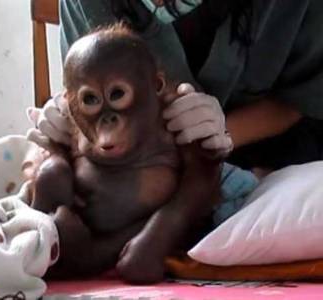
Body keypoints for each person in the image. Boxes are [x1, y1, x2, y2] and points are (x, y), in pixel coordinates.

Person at [27, 0, 323, 223]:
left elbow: (299, 98)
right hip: (136, 167)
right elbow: (85, 101)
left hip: (273, 156)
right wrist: (67, 127)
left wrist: (217, 136)